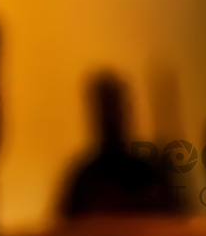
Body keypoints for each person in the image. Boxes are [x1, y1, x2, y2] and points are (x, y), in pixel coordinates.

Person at [59, 72, 176, 217]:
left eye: (116, 108)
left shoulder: (151, 174)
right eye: (106, 109)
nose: (113, 117)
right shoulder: (84, 181)